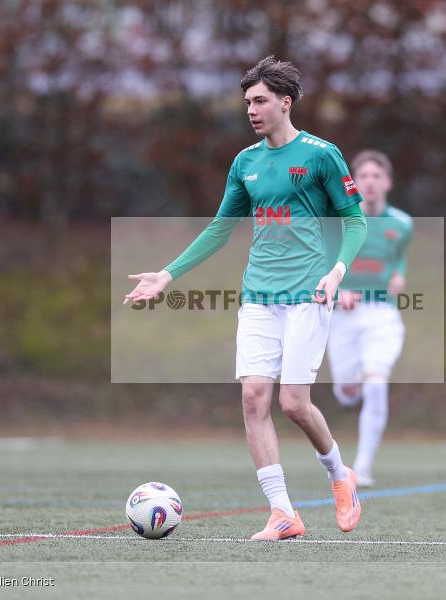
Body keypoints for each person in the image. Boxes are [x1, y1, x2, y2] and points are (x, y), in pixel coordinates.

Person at [124, 56, 367, 541]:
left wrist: (337, 271)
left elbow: (356, 221)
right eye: (247, 103)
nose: (251, 110)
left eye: (260, 101)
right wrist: (167, 275)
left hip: (307, 294)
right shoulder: (245, 163)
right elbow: (220, 228)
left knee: (294, 404)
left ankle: (340, 475)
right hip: (258, 296)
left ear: (285, 102)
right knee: (254, 398)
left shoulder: (321, 154)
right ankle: (282, 513)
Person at [326, 150, 413, 488]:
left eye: (377, 176)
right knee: (346, 392)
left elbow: (398, 258)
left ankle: (361, 469)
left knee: (376, 384)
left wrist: (399, 275)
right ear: (353, 183)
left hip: (382, 314)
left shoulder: (402, 224)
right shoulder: (340, 222)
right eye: (364, 176)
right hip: (343, 317)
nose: (370, 182)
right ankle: (353, 390)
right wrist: (339, 292)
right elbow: (322, 264)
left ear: (388, 182)